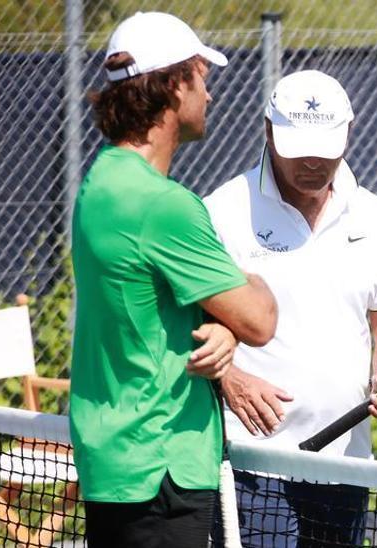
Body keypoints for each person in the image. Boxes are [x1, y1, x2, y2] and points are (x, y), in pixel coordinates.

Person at [69, 12, 278, 547]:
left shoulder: (100, 181)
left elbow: (151, 303)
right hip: (162, 469)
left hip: (116, 461)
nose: (210, 95)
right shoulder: (164, 207)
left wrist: (220, 326)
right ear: (175, 83)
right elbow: (259, 318)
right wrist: (243, 302)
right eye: (202, 78)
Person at [203, 69, 377, 547]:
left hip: (345, 465)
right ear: (267, 131)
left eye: (326, 148)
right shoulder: (222, 212)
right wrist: (229, 378)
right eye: (299, 148)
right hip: (251, 466)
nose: (314, 163)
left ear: (349, 134)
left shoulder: (374, 215)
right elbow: (180, 325)